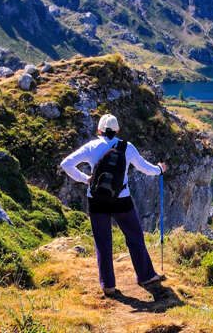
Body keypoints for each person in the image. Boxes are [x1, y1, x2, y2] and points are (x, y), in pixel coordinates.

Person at [60, 113, 167, 297]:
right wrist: (159, 169)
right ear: (117, 130)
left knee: (102, 241)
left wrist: (86, 179)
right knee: (134, 236)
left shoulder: (92, 146)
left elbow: (66, 164)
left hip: (96, 199)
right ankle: (146, 276)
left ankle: (108, 285)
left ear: (99, 130)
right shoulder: (127, 147)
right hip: (121, 198)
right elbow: (145, 168)